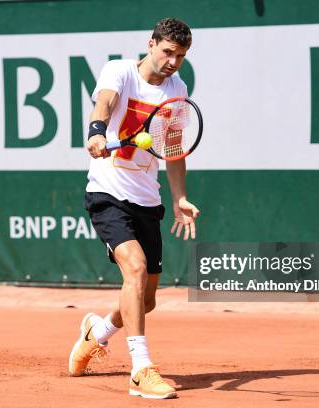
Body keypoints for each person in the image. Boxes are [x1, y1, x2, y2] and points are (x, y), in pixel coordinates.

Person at [68, 18, 199, 400]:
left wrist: (178, 199)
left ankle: (97, 332)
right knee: (135, 269)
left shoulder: (177, 89)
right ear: (151, 43)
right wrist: (96, 130)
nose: (173, 62)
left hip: (147, 199)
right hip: (108, 193)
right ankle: (140, 369)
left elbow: (173, 148)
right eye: (168, 52)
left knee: (147, 299)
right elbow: (105, 102)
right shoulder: (120, 70)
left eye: (181, 56)